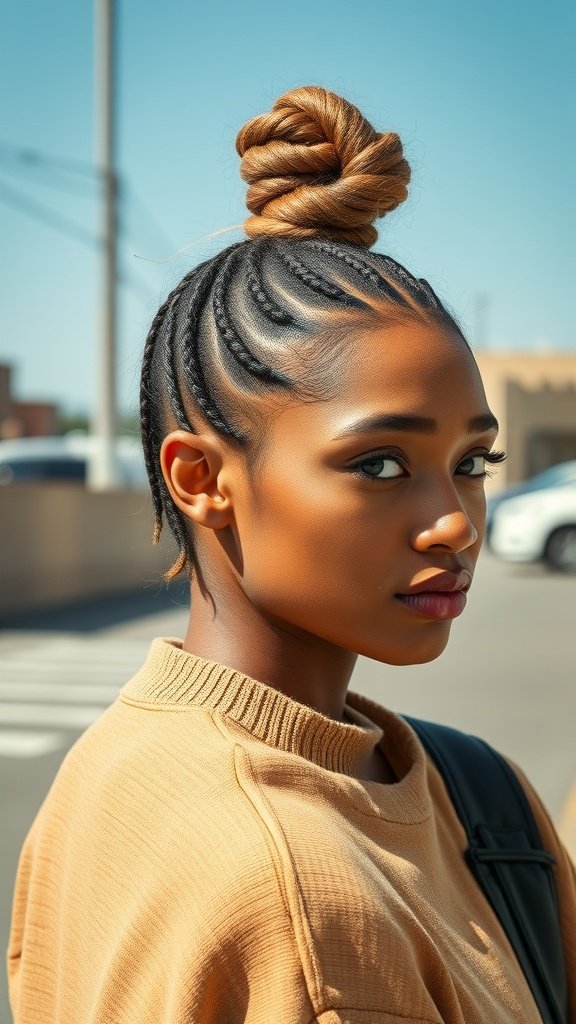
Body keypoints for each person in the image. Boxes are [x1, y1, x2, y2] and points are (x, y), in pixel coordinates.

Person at [7, 85, 575, 1023]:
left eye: (473, 462)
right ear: (200, 479)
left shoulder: (112, 769)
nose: (457, 524)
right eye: (381, 462)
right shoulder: (299, 907)